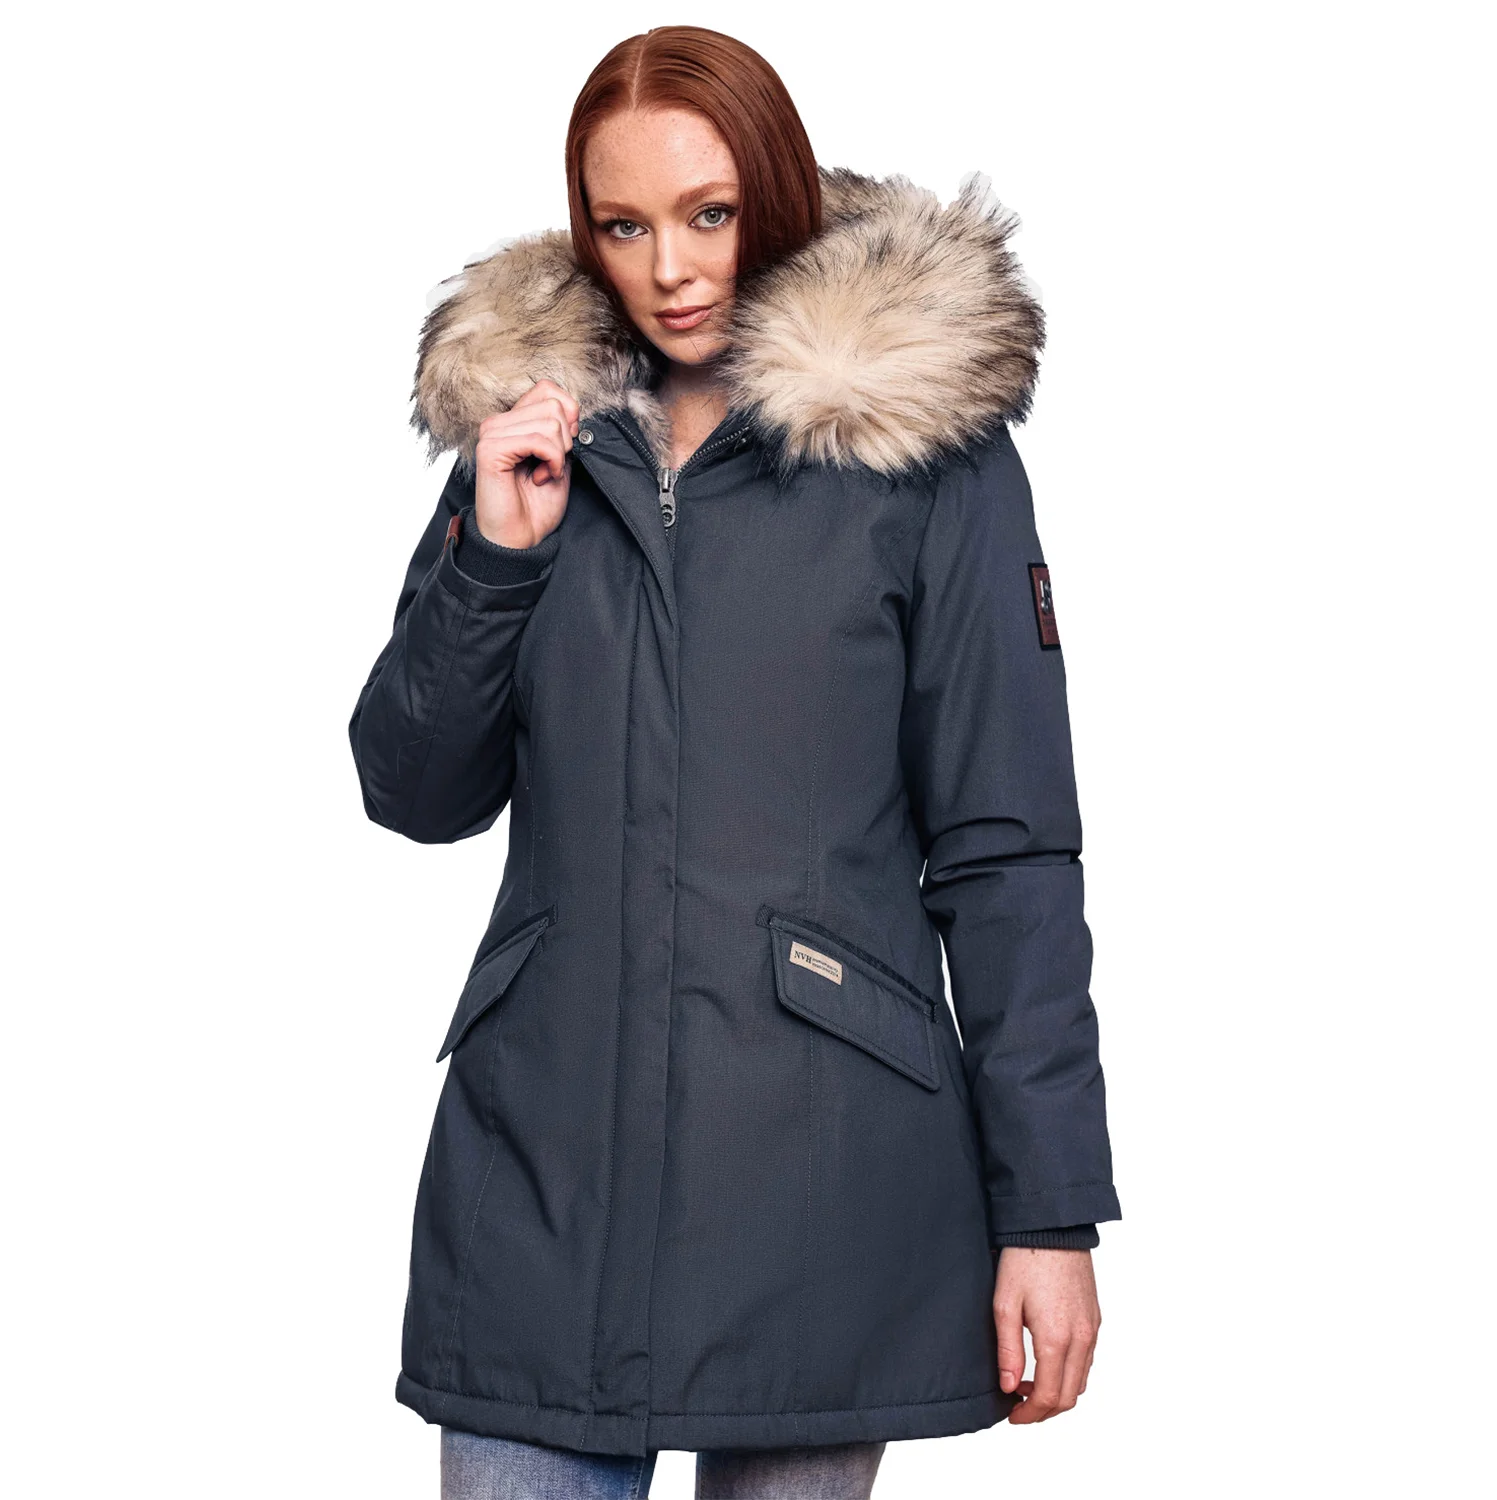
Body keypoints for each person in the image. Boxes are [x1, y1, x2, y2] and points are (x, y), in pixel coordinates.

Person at [349, 24, 1121, 1500]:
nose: (672, 270)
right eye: (624, 226)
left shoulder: (923, 453)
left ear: (775, 184)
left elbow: (1009, 850)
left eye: (709, 213)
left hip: (825, 1176)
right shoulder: (529, 440)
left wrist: (1051, 1213)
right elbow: (413, 791)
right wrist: (495, 561)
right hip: (544, 1175)